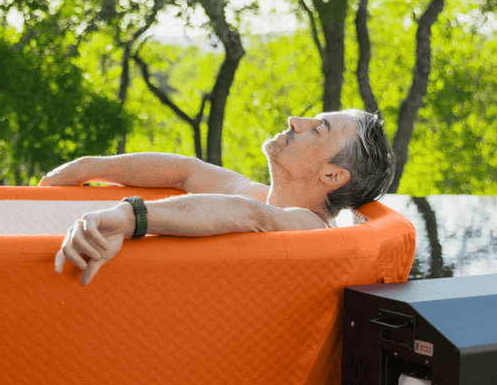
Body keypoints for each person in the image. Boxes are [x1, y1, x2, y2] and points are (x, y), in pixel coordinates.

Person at [40, 109, 396, 285]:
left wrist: (130, 217)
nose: (295, 120)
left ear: (332, 175)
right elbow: (185, 170)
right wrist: (86, 167)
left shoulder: (309, 227)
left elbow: (245, 214)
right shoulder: (260, 196)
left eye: (317, 128)